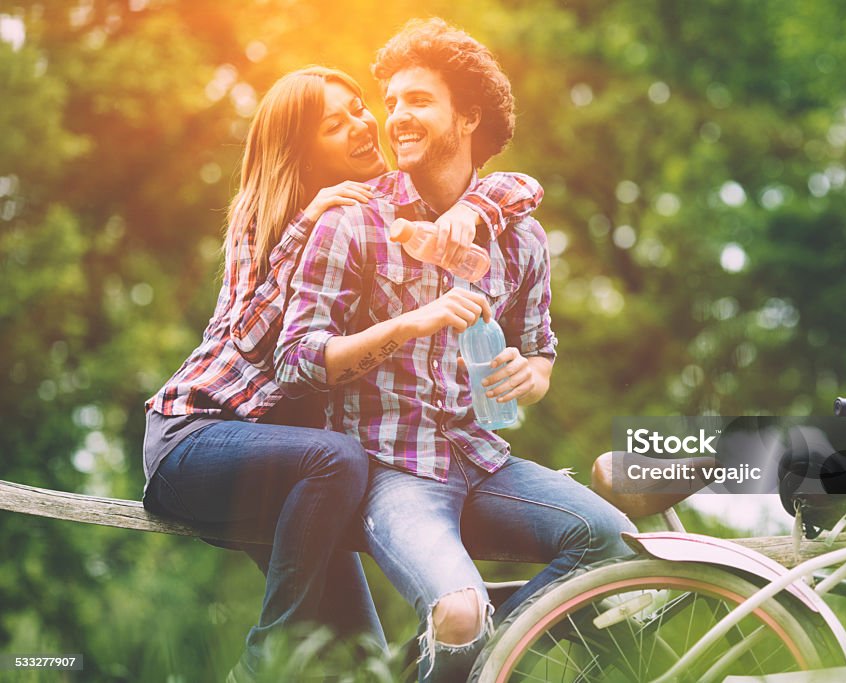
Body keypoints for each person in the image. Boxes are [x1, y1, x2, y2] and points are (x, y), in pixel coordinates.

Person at [141, 64, 545, 681]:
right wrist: (306, 223)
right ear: (302, 150)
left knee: (363, 662)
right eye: (336, 124)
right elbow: (248, 339)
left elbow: (520, 186)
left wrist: (478, 205)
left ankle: (463, 631)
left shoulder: (379, 211)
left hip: (301, 475)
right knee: (338, 459)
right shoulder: (267, 219)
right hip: (201, 437)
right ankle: (258, 667)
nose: (364, 125)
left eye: (360, 108)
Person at [274, 20, 636, 682]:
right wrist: (413, 322)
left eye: (418, 101)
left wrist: (531, 375)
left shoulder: (520, 239)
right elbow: (295, 357)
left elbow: (542, 352)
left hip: (486, 459)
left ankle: (487, 662)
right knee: (462, 611)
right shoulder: (353, 220)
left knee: (616, 544)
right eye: (393, 103)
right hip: (395, 472)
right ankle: (473, 646)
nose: (396, 118)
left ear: (468, 116)